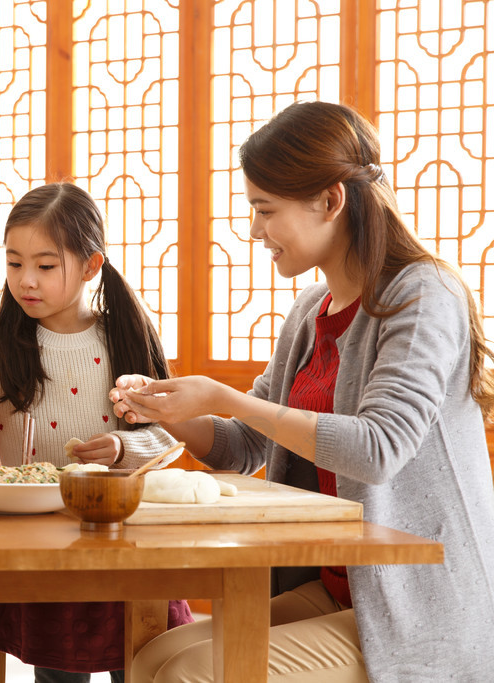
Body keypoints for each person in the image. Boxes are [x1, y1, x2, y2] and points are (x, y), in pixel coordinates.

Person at [112, 101, 494, 682]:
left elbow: (378, 450)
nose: (254, 230)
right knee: (154, 657)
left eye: (265, 210)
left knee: (185, 674)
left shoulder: (423, 294)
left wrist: (224, 396)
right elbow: (244, 446)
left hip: (418, 608)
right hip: (342, 590)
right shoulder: (311, 310)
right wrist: (167, 411)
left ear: (331, 201)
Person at [0, 182, 193, 683]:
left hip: (124, 541)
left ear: (91, 265)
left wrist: (124, 446)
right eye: (14, 263)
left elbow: (169, 438)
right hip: (38, 542)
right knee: (57, 675)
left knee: (145, 666)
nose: (26, 280)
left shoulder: (124, 334)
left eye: (45, 265)